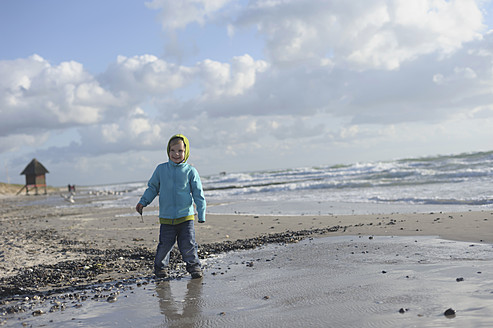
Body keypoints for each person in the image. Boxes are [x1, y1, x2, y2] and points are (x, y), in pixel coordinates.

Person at [136, 134, 206, 279]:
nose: (176, 154)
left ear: (185, 152)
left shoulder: (190, 171)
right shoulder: (161, 169)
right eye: (172, 150)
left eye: (180, 151)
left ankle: (194, 268)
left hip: (186, 217)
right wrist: (143, 202)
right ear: (168, 151)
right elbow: (152, 188)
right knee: (164, 246)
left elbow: (198, 193)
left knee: (188, 245)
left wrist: (201, 212)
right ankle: (160, 269)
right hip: (167, 218)